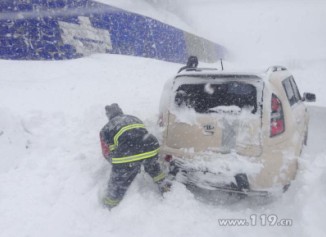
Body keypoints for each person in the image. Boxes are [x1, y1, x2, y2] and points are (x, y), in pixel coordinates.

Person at [100, 103, 171, 210]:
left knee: (119, 181)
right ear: (120, 111)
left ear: (109, 116)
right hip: (150, 146)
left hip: (128, 153)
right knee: (153, 167)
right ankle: (164, 186)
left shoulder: (106, 128)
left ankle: (110, 204)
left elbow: (106, 152)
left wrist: (119, 165)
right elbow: (141, 134)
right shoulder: (134, 118)